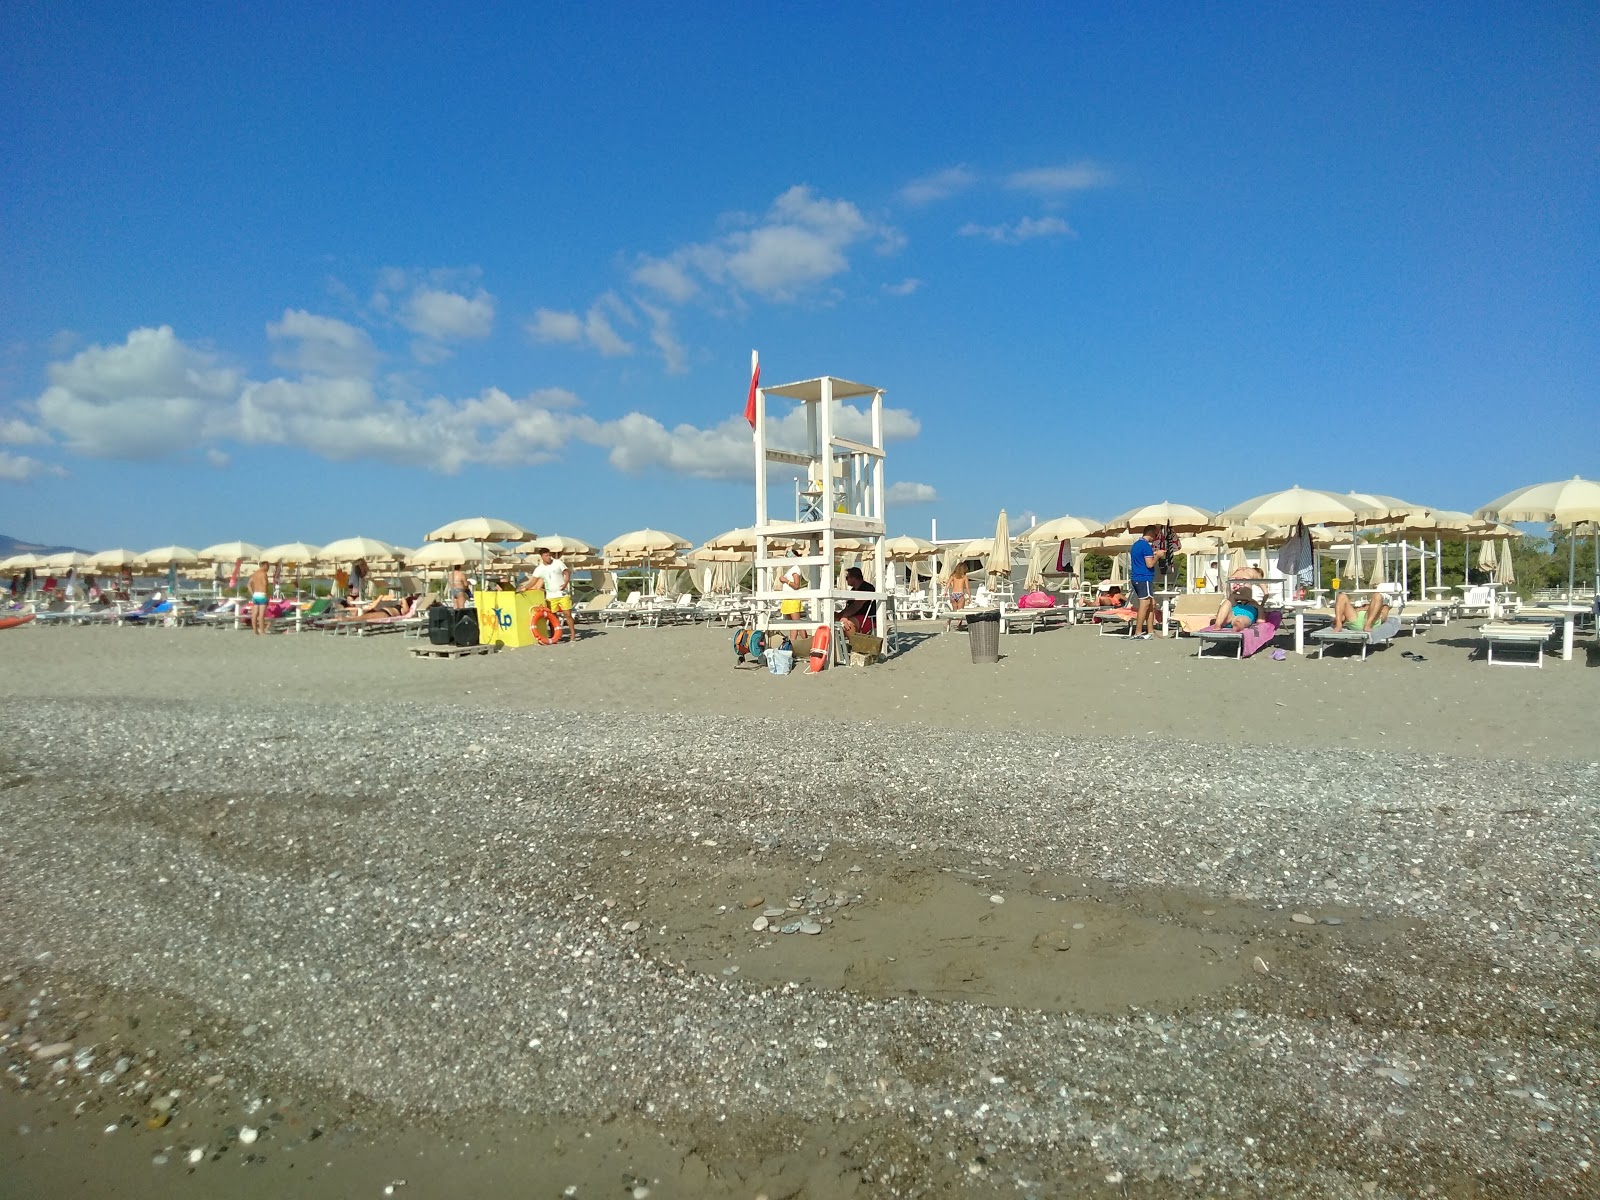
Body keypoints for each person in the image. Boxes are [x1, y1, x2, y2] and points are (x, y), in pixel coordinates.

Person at [1129, 526, 1167, 639]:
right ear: (1150, 533)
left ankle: (1150, 630)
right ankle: (1138, 631)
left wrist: (1153, 554)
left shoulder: (1136, 545)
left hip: (1137, 577)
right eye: (1155, 535)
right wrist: (1158, 556)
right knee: (1145, 604)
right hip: (1143, 577)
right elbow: (1149, 564)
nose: (1155, 538)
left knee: (1151, 604)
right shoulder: (1146, 546)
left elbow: (1141, 560)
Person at [530, 548, 574, 643]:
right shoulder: (539, 569)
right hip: (550, 595)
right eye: (546, 555)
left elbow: (566, 572)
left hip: (562, 593)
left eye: (549, 555)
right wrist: (525, 587)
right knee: (552, 617)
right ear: (541, 557)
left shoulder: (558, 563)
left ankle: (573, 635)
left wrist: (566, 582)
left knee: (568, 614)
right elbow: (534, 580)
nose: (549, 557)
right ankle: (556, 635)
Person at [838, 566, 877, 637]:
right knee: (832, 620)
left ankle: (854, 646)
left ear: (854, 578)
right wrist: (840, 615)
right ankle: (836, 646)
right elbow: (849, 607)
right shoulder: (853, 590)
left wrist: (844, 616)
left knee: (849, 625)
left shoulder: (868, 588)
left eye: (847, 578)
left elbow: (857, 605)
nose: (846, 580)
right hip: (855, 616)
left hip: (868, 618)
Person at [778, 550, 806, 619]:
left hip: (793, 599)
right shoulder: (790, 569)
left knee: (795, 624)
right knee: (791, 623)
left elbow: (796, 585)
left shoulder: (795, 569)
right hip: (787, 598)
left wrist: (786, 580)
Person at [248, 561, 271, 636]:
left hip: (255, 595)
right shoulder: (263, 573)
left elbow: (248, 584)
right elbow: (265, 584)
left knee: (254, 614)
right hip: (262, 594)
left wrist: (252, 594)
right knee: (261, 615)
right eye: (268, 566)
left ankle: (255, 631)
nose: (268, 568)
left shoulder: (254, 574)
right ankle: (262, 631)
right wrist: (267, 595)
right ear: (264, 565)